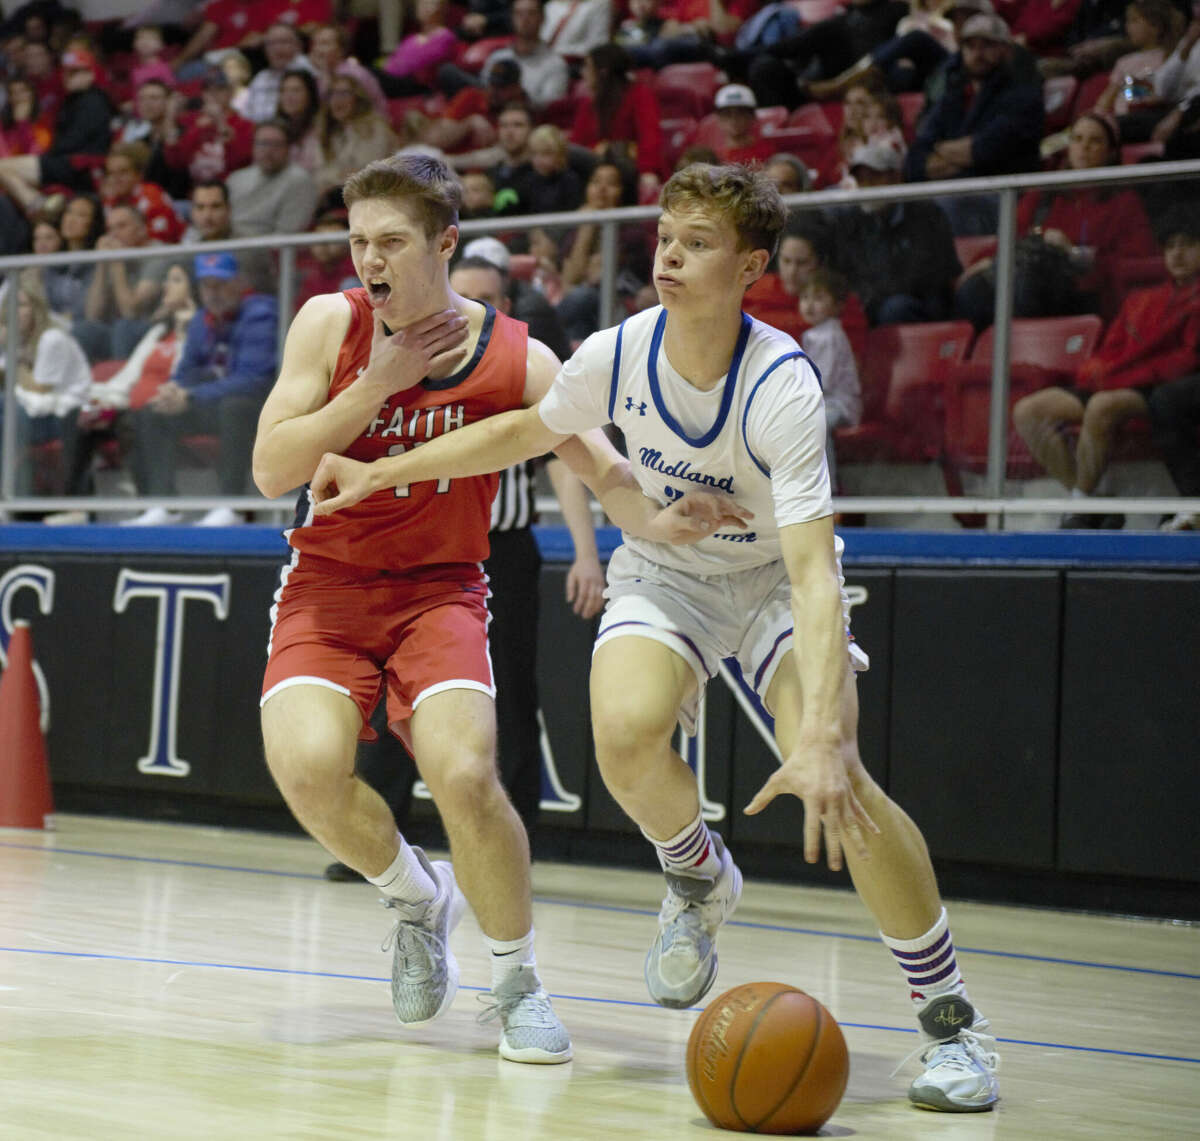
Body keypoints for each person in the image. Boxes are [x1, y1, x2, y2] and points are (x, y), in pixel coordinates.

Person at [307, 162, 1003, 1114]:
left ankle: (953, 1024)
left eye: (697, 243)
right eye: (666, 238)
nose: (669, 257)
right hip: (669, 569)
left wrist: (821, 736)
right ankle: (698, 876)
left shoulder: (782, 385)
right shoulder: (621, 349)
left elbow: (811, 573)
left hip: (772, 581)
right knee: (626, 738)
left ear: (751, 265)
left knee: (842, 784)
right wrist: (382, 473)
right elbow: (524, 433)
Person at [248, 153, 731, 1063]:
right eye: (358, 241)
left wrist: (661, 522)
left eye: (392, 241)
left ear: (445, 243)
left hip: (441, 590)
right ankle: (416, 897)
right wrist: (376, 382)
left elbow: (602, 468)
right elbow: (273, 469)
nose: (369, 260)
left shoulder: (519, 355)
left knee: (466, 774)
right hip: (328, 585)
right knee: (307, 771)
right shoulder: (329, 323)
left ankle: (516, 985)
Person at [1013, 205, 1200, 529]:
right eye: (1171, 246)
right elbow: (1109, 349)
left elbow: (1185, 362)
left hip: (1152, 388)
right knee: (1029, 411)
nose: (1178, 254)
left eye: (1187, 245)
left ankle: (1081, 506)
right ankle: (1092, 501)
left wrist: (1120, 377)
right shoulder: (1142, 299)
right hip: (1118, 381)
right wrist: (1095, 371)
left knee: (1102, 405)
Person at [955, 111, 1158, 329]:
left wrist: (1074, 253)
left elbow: (1134, 263)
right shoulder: (1043, 193)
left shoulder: (1125, 201)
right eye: (1077, 139)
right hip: (1025, 274)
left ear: (1111, 152)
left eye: (1095, 141)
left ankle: (1021, 346)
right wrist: (989, 260)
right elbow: (1010, 237)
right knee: (973, 289)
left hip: (1082, 288)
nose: (1084, 147)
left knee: (1025, 283)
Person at [125, 252, 278, 526]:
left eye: (221, 284)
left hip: (259, 406)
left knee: (235, 407)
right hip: (211, 402)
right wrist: (174, 390)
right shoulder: (200, 320)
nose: (213, 293)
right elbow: (186, 371)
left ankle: (232, 505)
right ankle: (163, 504)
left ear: (239, 283)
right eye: (207, 286)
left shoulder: (261, 314)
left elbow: (253, 379)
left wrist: (191, 395)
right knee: (151, 412)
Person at [902, 12, 1044, 232]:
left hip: (1003, 197)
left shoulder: (1024, 96)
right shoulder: (954, 97)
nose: (978, 54)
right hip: (954, 192)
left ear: (1007, 50)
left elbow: (985, 151)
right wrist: (961, 156)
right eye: (970, 46)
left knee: (942, 206)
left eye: (987, 45)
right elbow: (915, 159)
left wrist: (939, 149)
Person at [829, 139, 962, 324]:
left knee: (895, 308)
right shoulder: (851, 220)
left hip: (920, 306)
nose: (867, 186)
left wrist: (877, 290)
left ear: (896, 177)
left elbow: (932, 276)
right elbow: (847, 272)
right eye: (862, 180)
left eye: (874, 178)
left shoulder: (926, 214)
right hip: (872, 304)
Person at [0, 271, 90, 496]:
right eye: (10, 305)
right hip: (29, 411)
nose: (15, 312)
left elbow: (40, 388)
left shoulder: (52, 338)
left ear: (37, 308)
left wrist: (12, 354)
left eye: (22, 305)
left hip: (62, 416)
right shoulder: (18, 339)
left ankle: (12, 494)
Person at [798, 266, 863, 488]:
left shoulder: (831, 335)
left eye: (818, 298)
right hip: (823, 401)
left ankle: (828, 488)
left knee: (815, 422)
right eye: (805, 297)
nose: (809, 305)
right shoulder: (814, 334)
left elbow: (822, 381)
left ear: (837, 305)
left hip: (840, 405)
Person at [226, 119, 319, 236]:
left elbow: (288, 235)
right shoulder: (236, 179)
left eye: (276, 144)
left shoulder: (299, 181)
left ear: (288, 148)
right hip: (226, 243)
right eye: (263, 143)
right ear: (253, 146)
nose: (268, 150)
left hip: (265, 245)